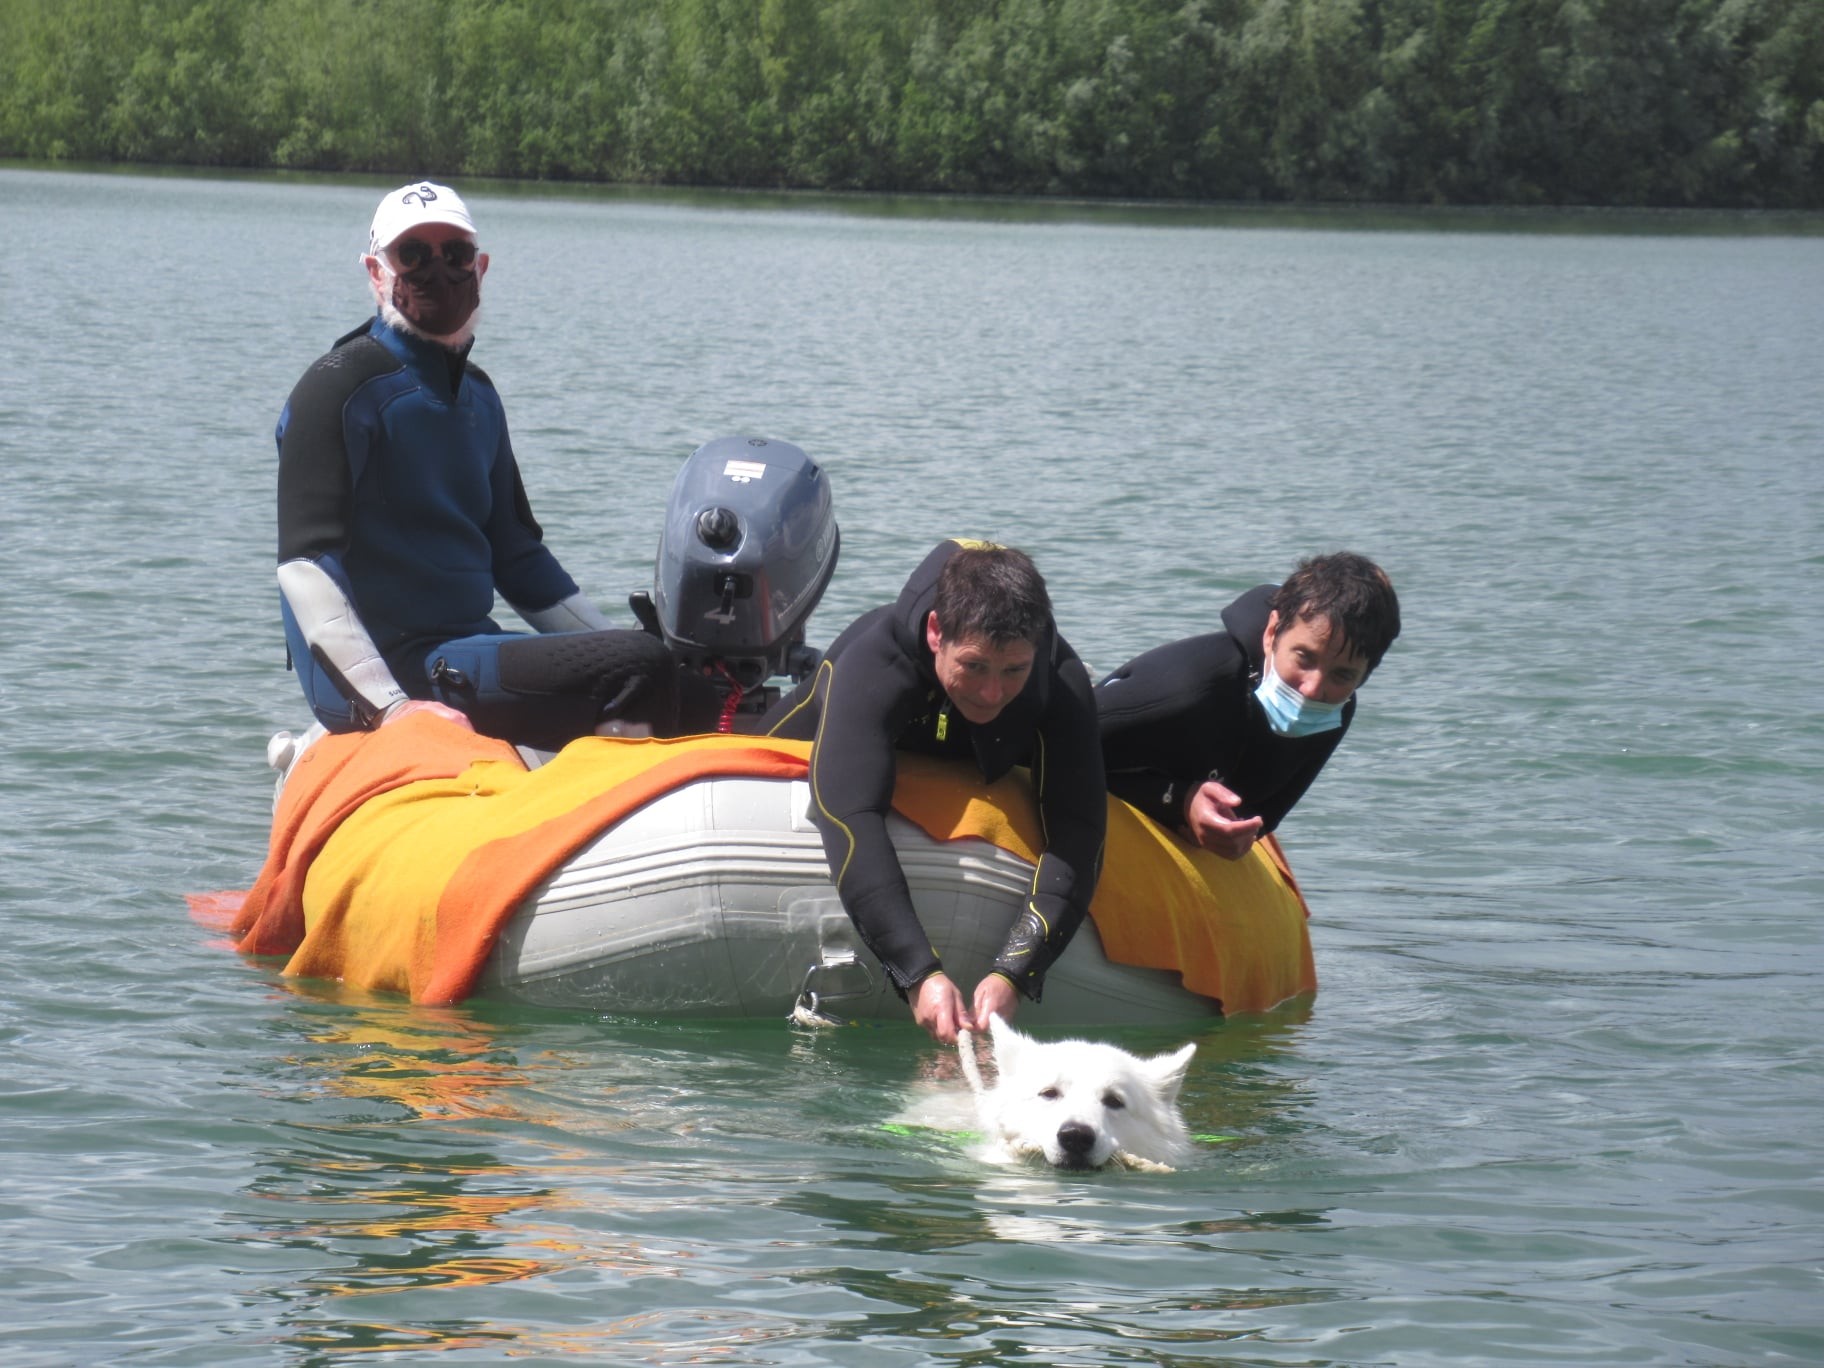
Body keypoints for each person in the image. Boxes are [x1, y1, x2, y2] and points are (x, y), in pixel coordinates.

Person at [274, 180, 677, 750]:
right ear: (375, 272)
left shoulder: (479, 397)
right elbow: (305, 567)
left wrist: (644, 647)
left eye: (455, 254)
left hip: (464, 650)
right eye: (412, 254)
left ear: (480, 267)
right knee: (638, 669)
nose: (437, 270)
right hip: (398, 671)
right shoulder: (338, 387)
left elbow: (518, 560)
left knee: (678, 675)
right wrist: (392, 710)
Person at [763, 540, 1107, 1044]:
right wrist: (918, 974)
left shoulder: (1057, 681)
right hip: (807, 732)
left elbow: (1079, 836)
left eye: (1014, 670)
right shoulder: (873, 663)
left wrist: (1015, 971)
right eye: (974, 666)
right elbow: (849, 815)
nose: (993, 693)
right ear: (934, 633)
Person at [1096, 552, 1400, 858]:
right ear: (1272, 632)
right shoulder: (1192, 686)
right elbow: (1057, 743)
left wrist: (1232, 832)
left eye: (1343, 674)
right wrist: (1179, 801)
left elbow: (1264, 815)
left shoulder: (1336, 710)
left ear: (1364, 676)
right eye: (1304, 657)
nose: (1312, 689)